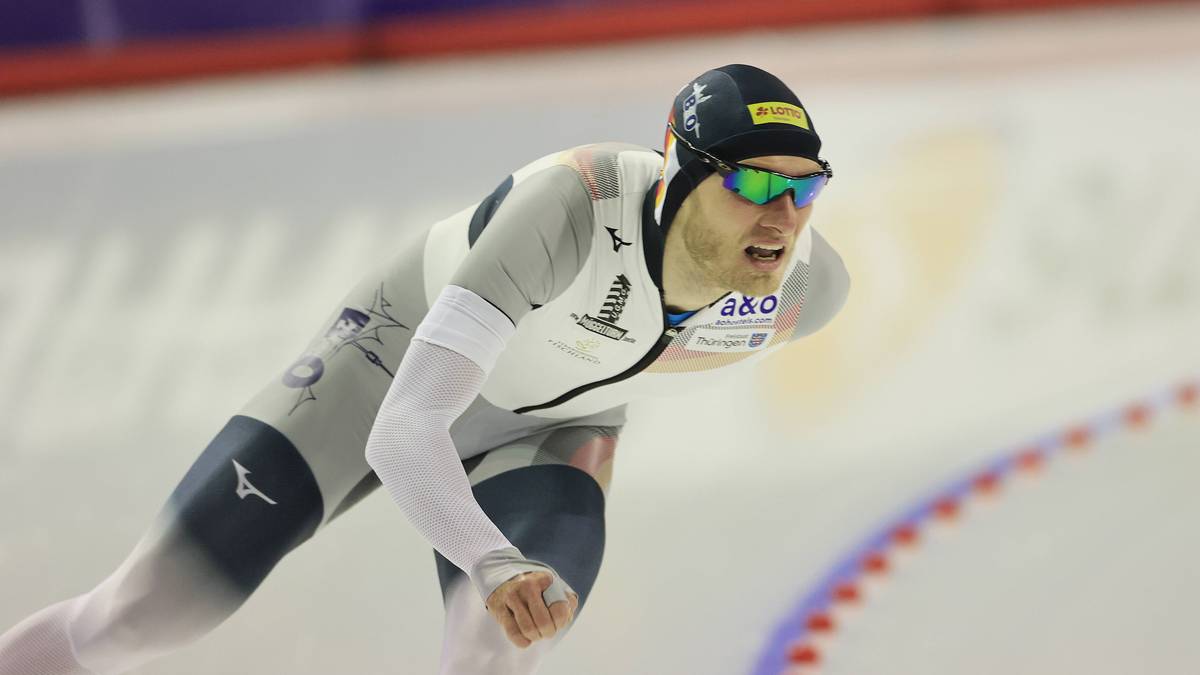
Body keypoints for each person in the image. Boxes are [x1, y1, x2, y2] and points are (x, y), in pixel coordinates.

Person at [0, 63, 849, 675]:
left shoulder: (804, 294)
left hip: (551, 430)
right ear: (680, 178)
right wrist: (491, 558)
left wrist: (508, 571)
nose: (782, 216)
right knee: (141, 614)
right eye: (752, 184)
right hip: (385, 369)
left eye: (804, 188)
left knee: (498, 650)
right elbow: (403, 430)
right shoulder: (573, 209)